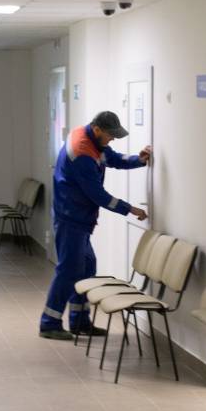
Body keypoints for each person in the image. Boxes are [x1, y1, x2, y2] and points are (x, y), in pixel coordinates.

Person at [39, 110, 151, 340]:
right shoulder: (82, 151)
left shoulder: (92, 140)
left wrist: (138, 160)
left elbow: (113, 158)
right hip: (70, 218)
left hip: (79, 218)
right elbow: (98, 195)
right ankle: (49, 323)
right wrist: (130, 209)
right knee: (69, 270)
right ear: (98, 129)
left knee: (87, 267)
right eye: (111, 135)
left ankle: (79, 321)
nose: (112, 139)